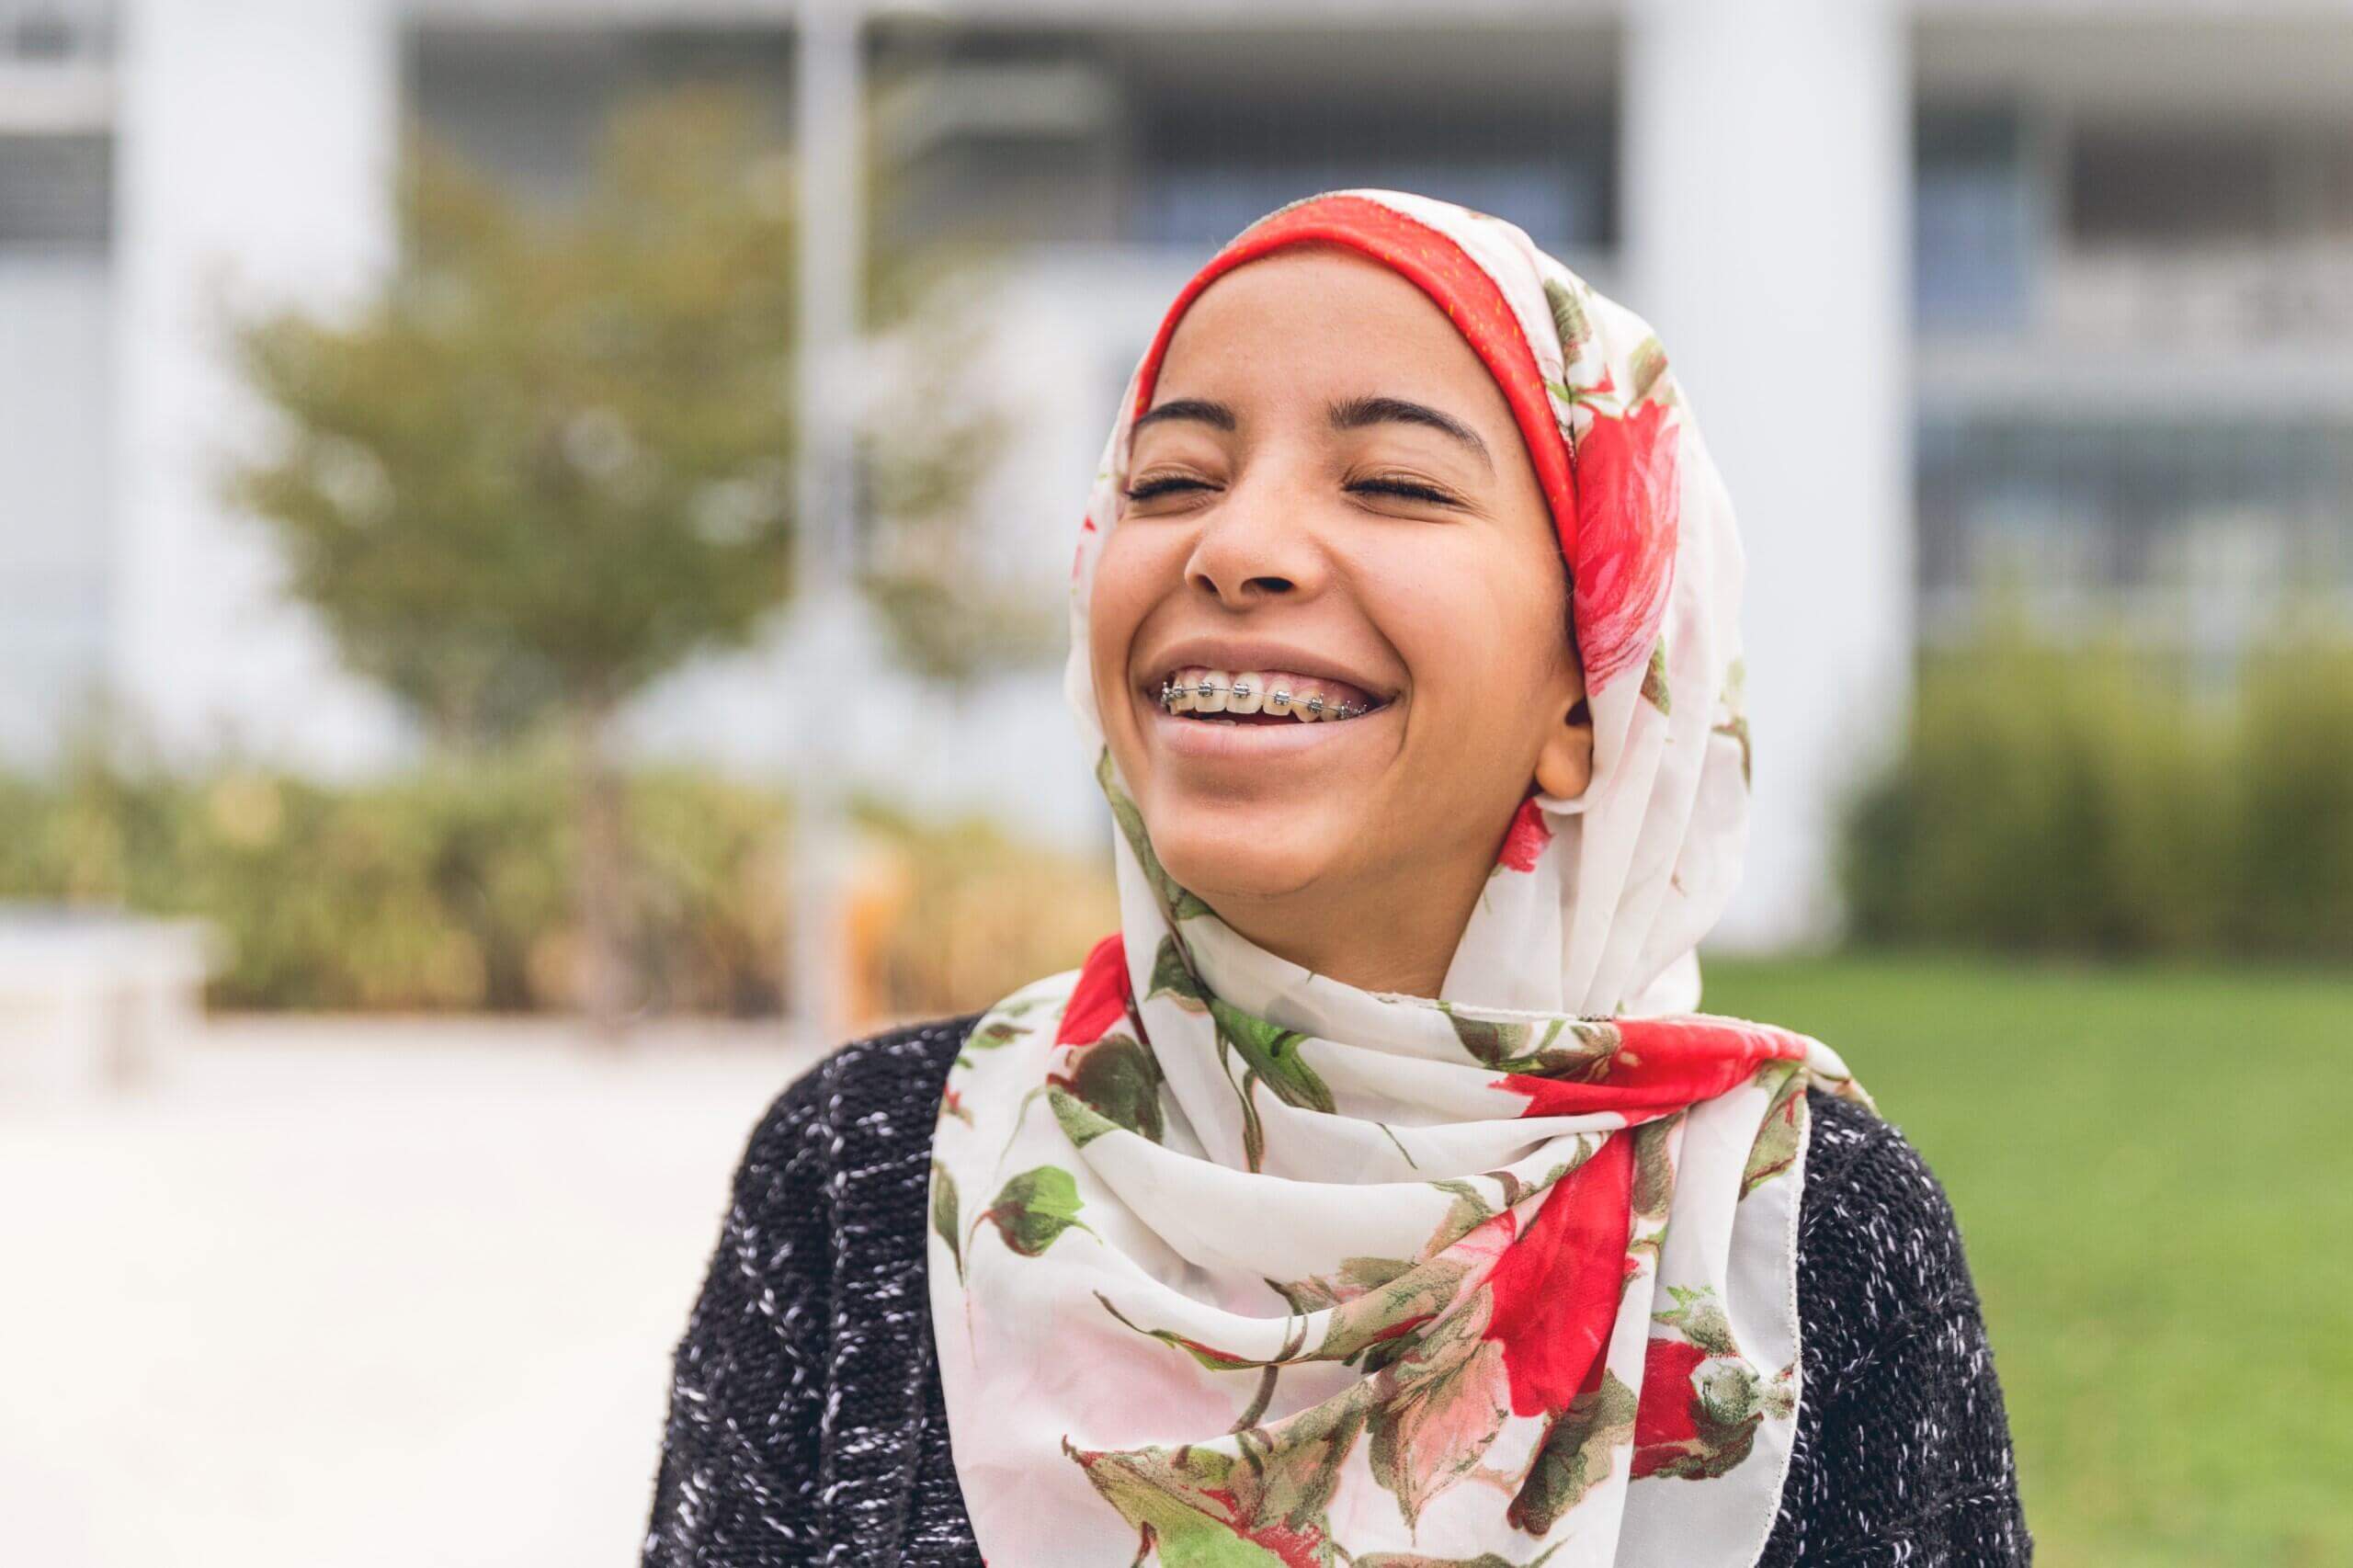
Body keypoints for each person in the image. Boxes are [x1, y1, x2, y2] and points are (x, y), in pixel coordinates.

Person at [641, 189, 2031, 1567]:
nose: (1234, 548)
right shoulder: (866, 1174)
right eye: (1171, 479)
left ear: (1594, 692)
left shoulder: (1797, 1235)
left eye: (1394, 485)